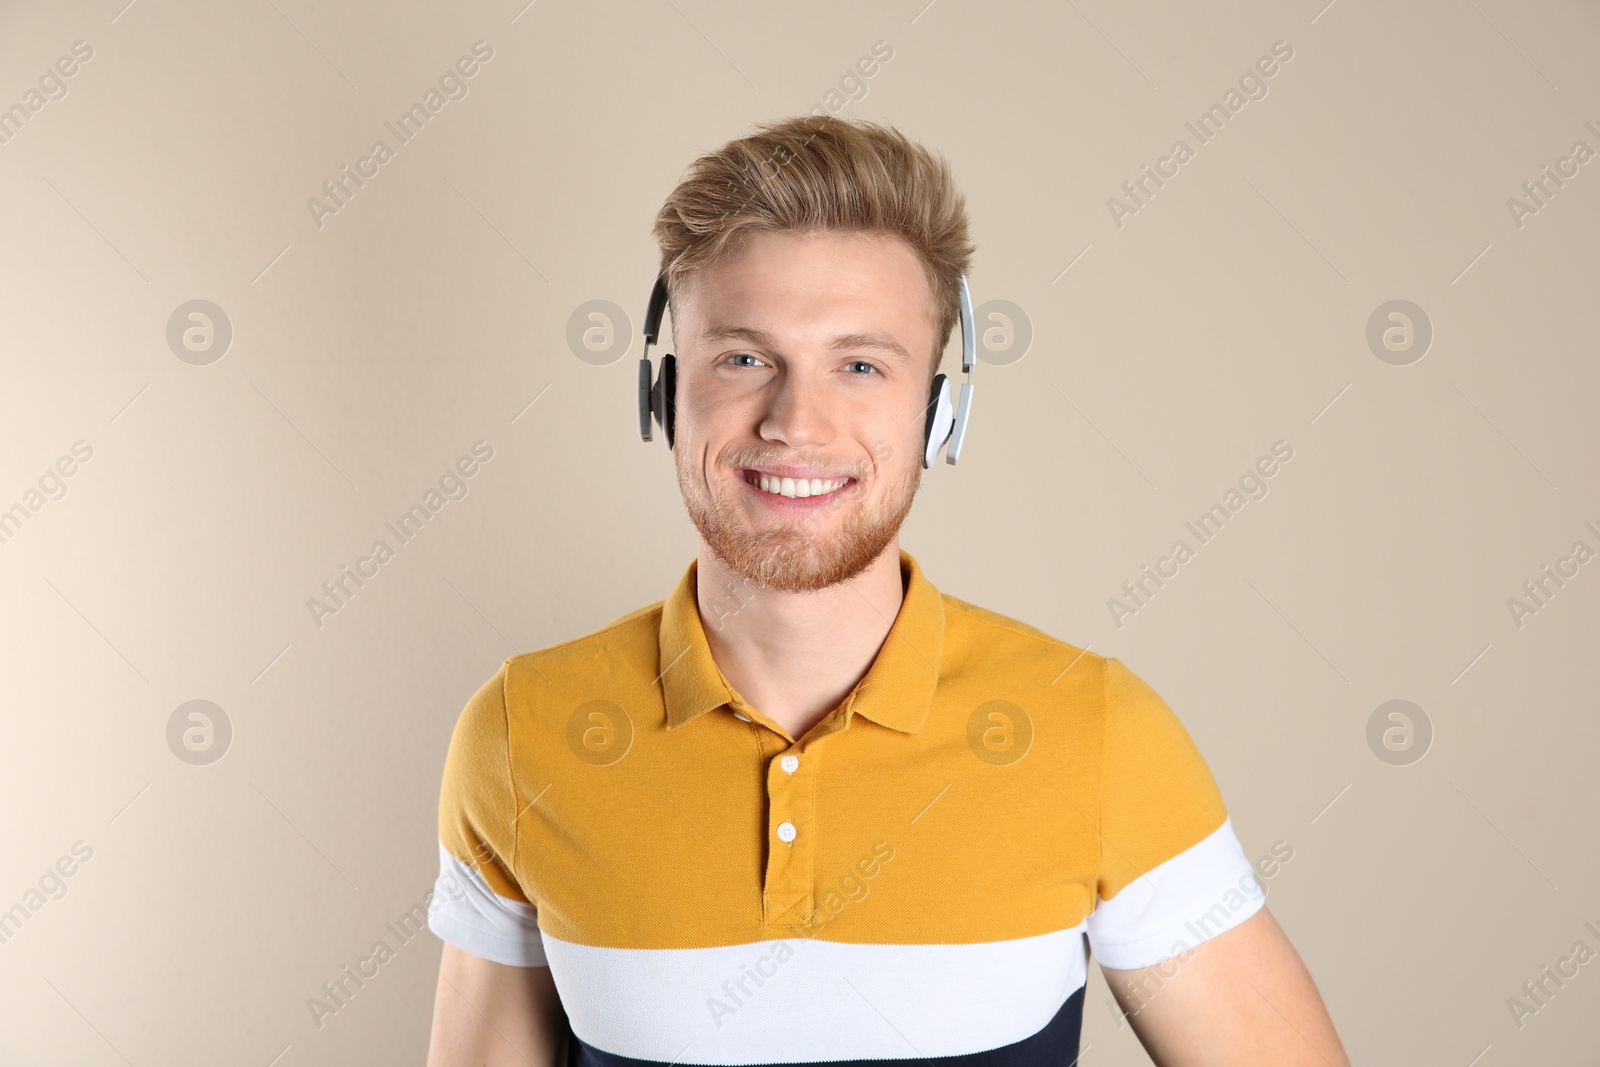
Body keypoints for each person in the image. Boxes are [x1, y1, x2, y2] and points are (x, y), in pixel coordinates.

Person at [423, 115, 1351, 1067]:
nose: (795, 422)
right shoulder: (521, 729)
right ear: (663, 393)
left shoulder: (1099, 731)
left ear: (940, 411)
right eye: (743, 358)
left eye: (860, 365)